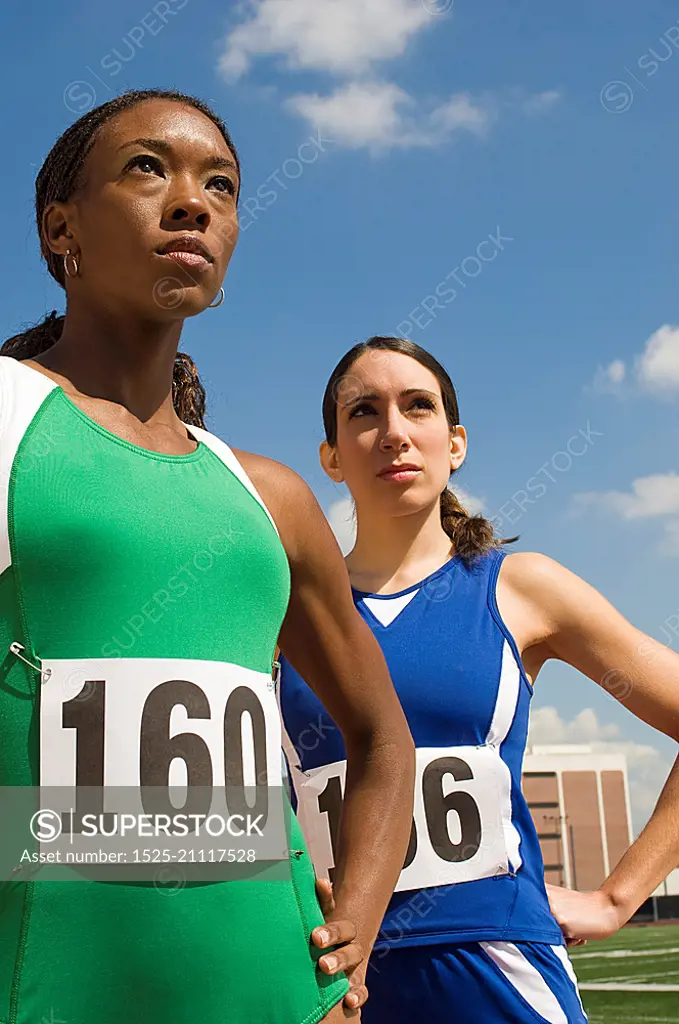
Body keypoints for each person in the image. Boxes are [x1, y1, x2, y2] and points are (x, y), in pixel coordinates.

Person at [0, 93, 415, 1024]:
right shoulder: (8, 422)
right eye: (148, 167)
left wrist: (353, 931)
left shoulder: (268, 496)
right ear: (58, 227)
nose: (191, 201)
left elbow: (383, 737)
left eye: (219, 185)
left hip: (279, 997)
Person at [279, 335, 679, 1024]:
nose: (394, 433)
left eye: (418, 407)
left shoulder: (521, 590)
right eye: (364, 413)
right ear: (331, 457)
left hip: (494, 971)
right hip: (329, 979)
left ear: (455, 442)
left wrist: (616, 899)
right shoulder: (280, 608)